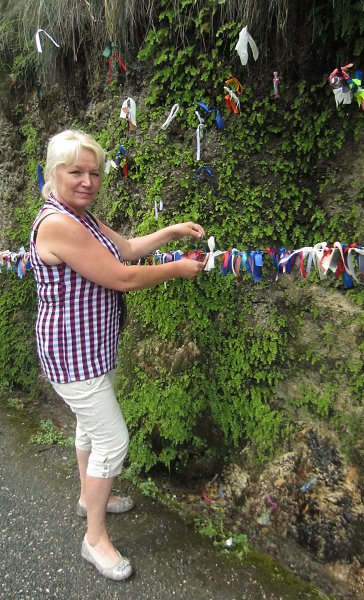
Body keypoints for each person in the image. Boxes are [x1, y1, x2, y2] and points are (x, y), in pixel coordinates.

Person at [29, 129, 205, 581]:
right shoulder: (58, 223)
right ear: (54, 173)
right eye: (76, 172)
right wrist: (177, 269)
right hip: (71, 353)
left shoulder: (81, 216)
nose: (88, 181)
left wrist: (171, 231)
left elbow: (126, 248)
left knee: (91, 429)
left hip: (92, 346)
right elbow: (122, 275)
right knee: (113, 441)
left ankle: (90, 496)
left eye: (94, 173)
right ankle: (94, 539)